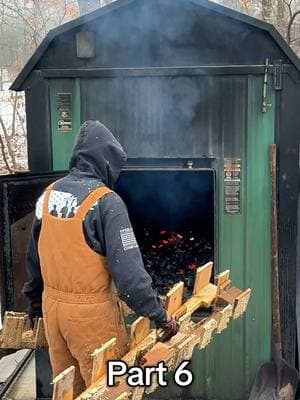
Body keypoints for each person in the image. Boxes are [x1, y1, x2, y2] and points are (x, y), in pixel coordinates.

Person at [23, 120, 178, 396]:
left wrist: (34, 303)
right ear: (106, 161)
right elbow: (130, 279)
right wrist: (160, 315)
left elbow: (34, 257)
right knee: (110, 389)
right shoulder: (106, 202)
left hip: (54, 311)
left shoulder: (48, 195)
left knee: (69, 390)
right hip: (91, 319)